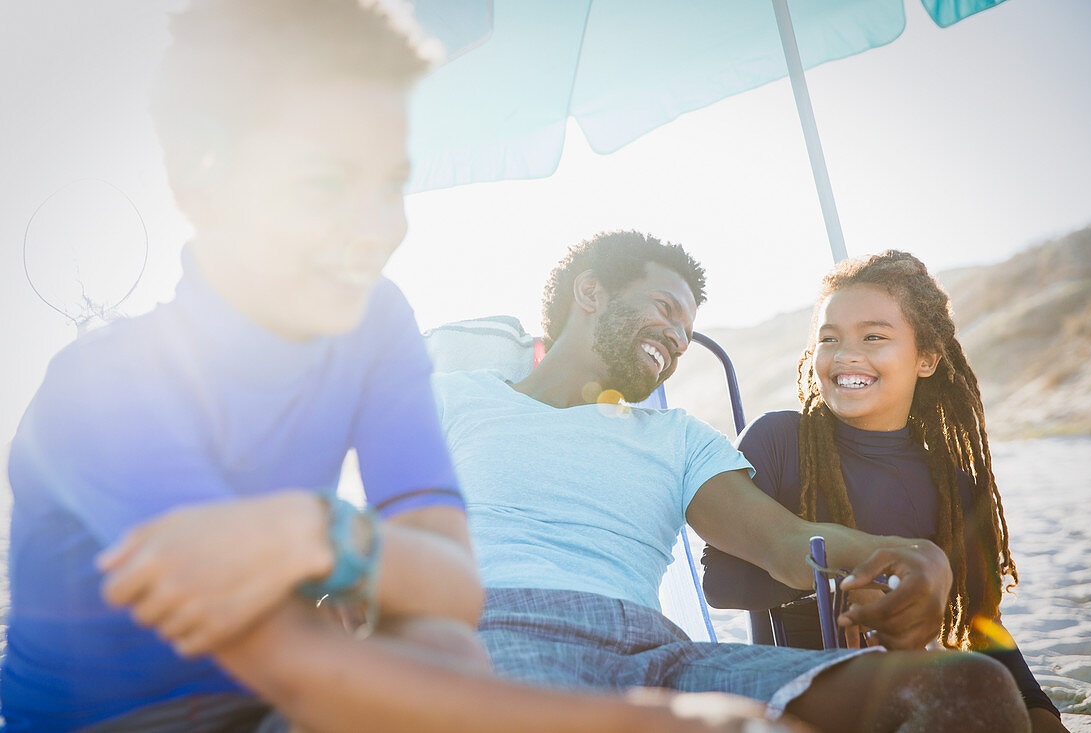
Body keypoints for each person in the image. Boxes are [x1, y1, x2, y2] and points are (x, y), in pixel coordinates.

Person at [3, 3, 788, 732]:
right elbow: (299, 667)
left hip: (273, 702)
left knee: (443, 645)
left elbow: (451, 584)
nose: (375, 229)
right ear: (196, 178)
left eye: (391, 183)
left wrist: (319, 531)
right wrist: (653, 721)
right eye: (323, 184)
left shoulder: (371, 322)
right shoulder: (105, 390)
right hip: (122, 718)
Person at [431, 231, 1031, 732]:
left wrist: (911, 555)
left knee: (970, 689)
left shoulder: (679, 438)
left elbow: (784, 542)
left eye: (687, 330)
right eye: (666, 309)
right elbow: (378, 522)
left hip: (656, 656)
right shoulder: (455, 400)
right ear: (590, 291)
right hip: (494, 629)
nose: (677, 337)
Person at [700, 250, 1068, 732]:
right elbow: (720, 585)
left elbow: (981, 624)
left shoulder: (953, 478)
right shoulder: (778, 440)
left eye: (874, 336)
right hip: (803, 684)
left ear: (927, 358)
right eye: (829, 339)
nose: (847, 353)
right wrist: (853, 580)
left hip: (909, 675)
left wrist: (1040, 709)